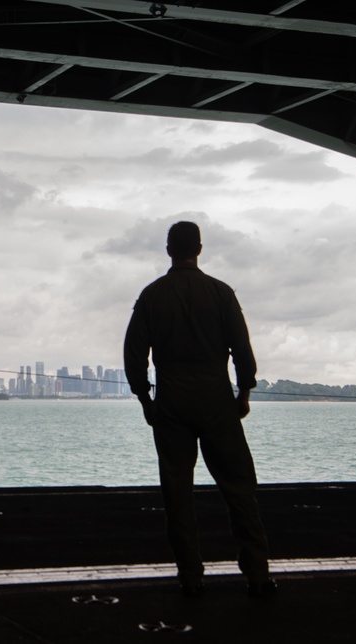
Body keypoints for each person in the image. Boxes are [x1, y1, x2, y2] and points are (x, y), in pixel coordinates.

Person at [123, 221, 275, 598]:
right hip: (217, 401)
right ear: (200, 249)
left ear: (169, 250)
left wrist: (146, 399)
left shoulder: (152, 295)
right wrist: (244, 393)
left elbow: (133, 355)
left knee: (177, 492)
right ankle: (256, 574)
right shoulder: (221, 293)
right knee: (239, 488)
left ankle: (190, 576)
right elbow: (242, 350)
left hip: (171, 402)